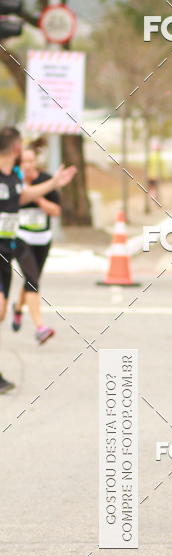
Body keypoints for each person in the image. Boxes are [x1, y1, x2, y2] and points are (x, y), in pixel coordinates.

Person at [0, 126, 76, 392]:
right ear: (18, 149)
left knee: (0, 312)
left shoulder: (13, 177)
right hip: (9, 246)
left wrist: (53, 183)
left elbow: (22, 197)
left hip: (7, 250)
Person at [13, 139, 61, 343]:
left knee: (32, 280)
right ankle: (40, 327)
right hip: (20, 238)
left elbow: (56, 211)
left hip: (43, 239)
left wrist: (38, 197)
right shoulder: (12, 184)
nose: (28, 165)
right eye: (23, 162)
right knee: (32, 281)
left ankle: (17, 307)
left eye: (31, 161)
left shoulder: (46, 180)